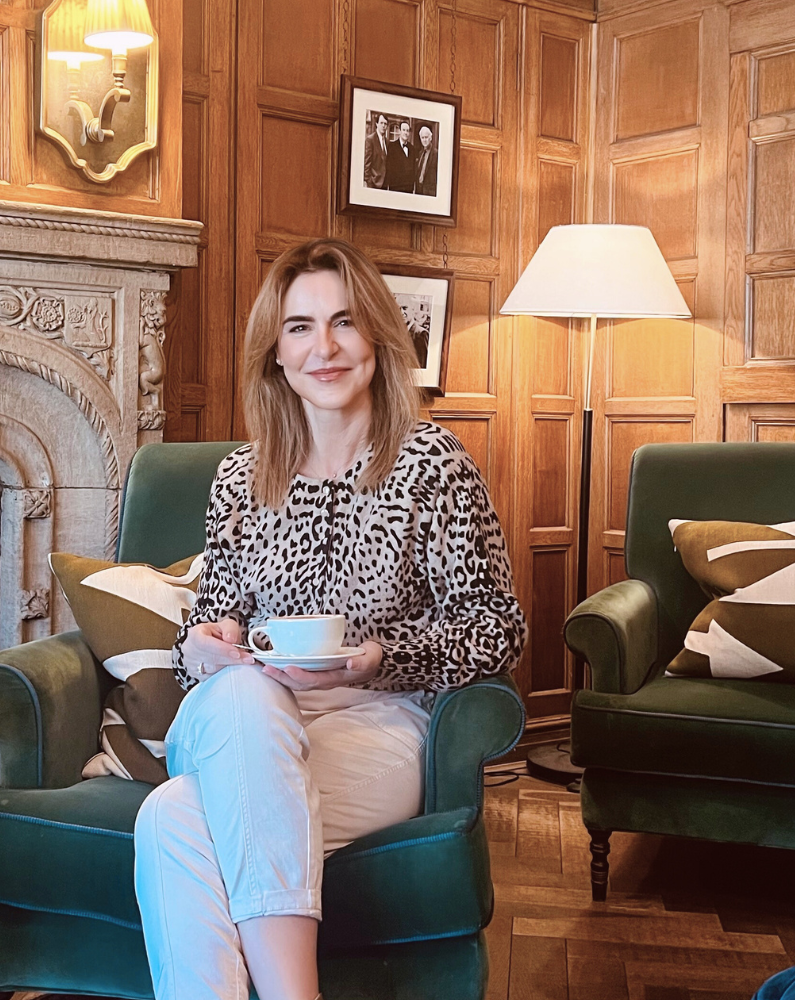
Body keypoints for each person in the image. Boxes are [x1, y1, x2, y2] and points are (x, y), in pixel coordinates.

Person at [133, 238, 527, 1000]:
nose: (326, 347)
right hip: (256, 713)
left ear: (377, 337)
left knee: (171, 820)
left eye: (343, 322)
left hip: (381, 723)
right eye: (301, 328)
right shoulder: (240, 479)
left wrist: (384, 657)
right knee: (244, 697)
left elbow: (496, 626)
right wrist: (204, 650)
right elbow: (217, 622)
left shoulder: (432, 465)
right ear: (275, 354)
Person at [386, 119, 415, 192]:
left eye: (407, 131)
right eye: (404, 130)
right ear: (399, 131)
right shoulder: (392, 147)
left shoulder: (412, 148)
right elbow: (389, 167)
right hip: (396, 187)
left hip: (409, 188)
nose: (406, 133)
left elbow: (414, 168)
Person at [362, 113, 389, 188]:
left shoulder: (387, 142)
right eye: (381, 123)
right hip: (373, 183)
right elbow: (366, 163)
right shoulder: (370, 140)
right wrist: (369, 181)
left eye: (385, 124)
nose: (383, 126)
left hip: (385, 184)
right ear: (376, 124)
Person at [414, 125, 438, 196]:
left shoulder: (436, 154)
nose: (424, 140)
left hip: (429, 192)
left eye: (426, 137)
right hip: (419, 190)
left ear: (430, 138)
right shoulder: (420, 153)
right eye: (422, 138)